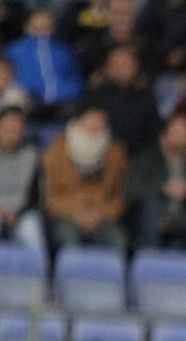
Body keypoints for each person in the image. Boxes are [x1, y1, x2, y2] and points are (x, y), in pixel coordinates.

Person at [42, 105, 127, 251]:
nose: (96, 125)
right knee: (69, 240)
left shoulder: (116, 154)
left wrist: (100, 214)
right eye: (91, 119)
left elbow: (120, 196)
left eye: (100, 121)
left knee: (118, 240)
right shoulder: (56, 151)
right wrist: (76, 213)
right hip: (66, 215)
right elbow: (49, 196)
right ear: (79, 121)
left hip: (102, 216)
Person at [129, 111, 186, 250]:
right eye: (176, 133)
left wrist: (173, 222)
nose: (180, 138)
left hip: (181, 223)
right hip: (149, 220)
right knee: (151, 207)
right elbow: (132, 191)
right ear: (163, 137)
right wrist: (164, 189)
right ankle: (149, 262)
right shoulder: (146, 160)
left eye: (185, 135)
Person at [5, 8, 83, 118]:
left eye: (46, 23)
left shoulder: (63, 50)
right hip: (28, 99)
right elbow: (6, 75)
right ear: (27, 24)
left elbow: (74, 77)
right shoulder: (14, 49)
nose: (42, 24)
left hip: (62, 101)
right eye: (38, 23)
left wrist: (67, 92)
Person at [0, 106, 43, 250]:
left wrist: (18, 213)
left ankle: (38, 271)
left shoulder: (31, 156)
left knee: (32, 230)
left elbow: (36, 195)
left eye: (18, 129)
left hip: (22, 214)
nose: (13, 133)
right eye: (8, 128)